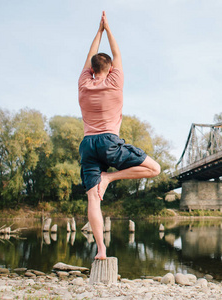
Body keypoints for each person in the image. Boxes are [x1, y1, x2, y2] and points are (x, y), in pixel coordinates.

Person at [78, 11, 160, 260]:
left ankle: (101, 250)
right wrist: (108, 29)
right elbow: (118, 54)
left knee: (93, 198)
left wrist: (98, 32)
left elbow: (90, 58)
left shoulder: (83, 83)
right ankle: (110, 178)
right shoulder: (115, 81)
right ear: (110, 68)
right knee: (154, 169)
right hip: (109, 142)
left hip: (87, 145)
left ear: (91, 69)